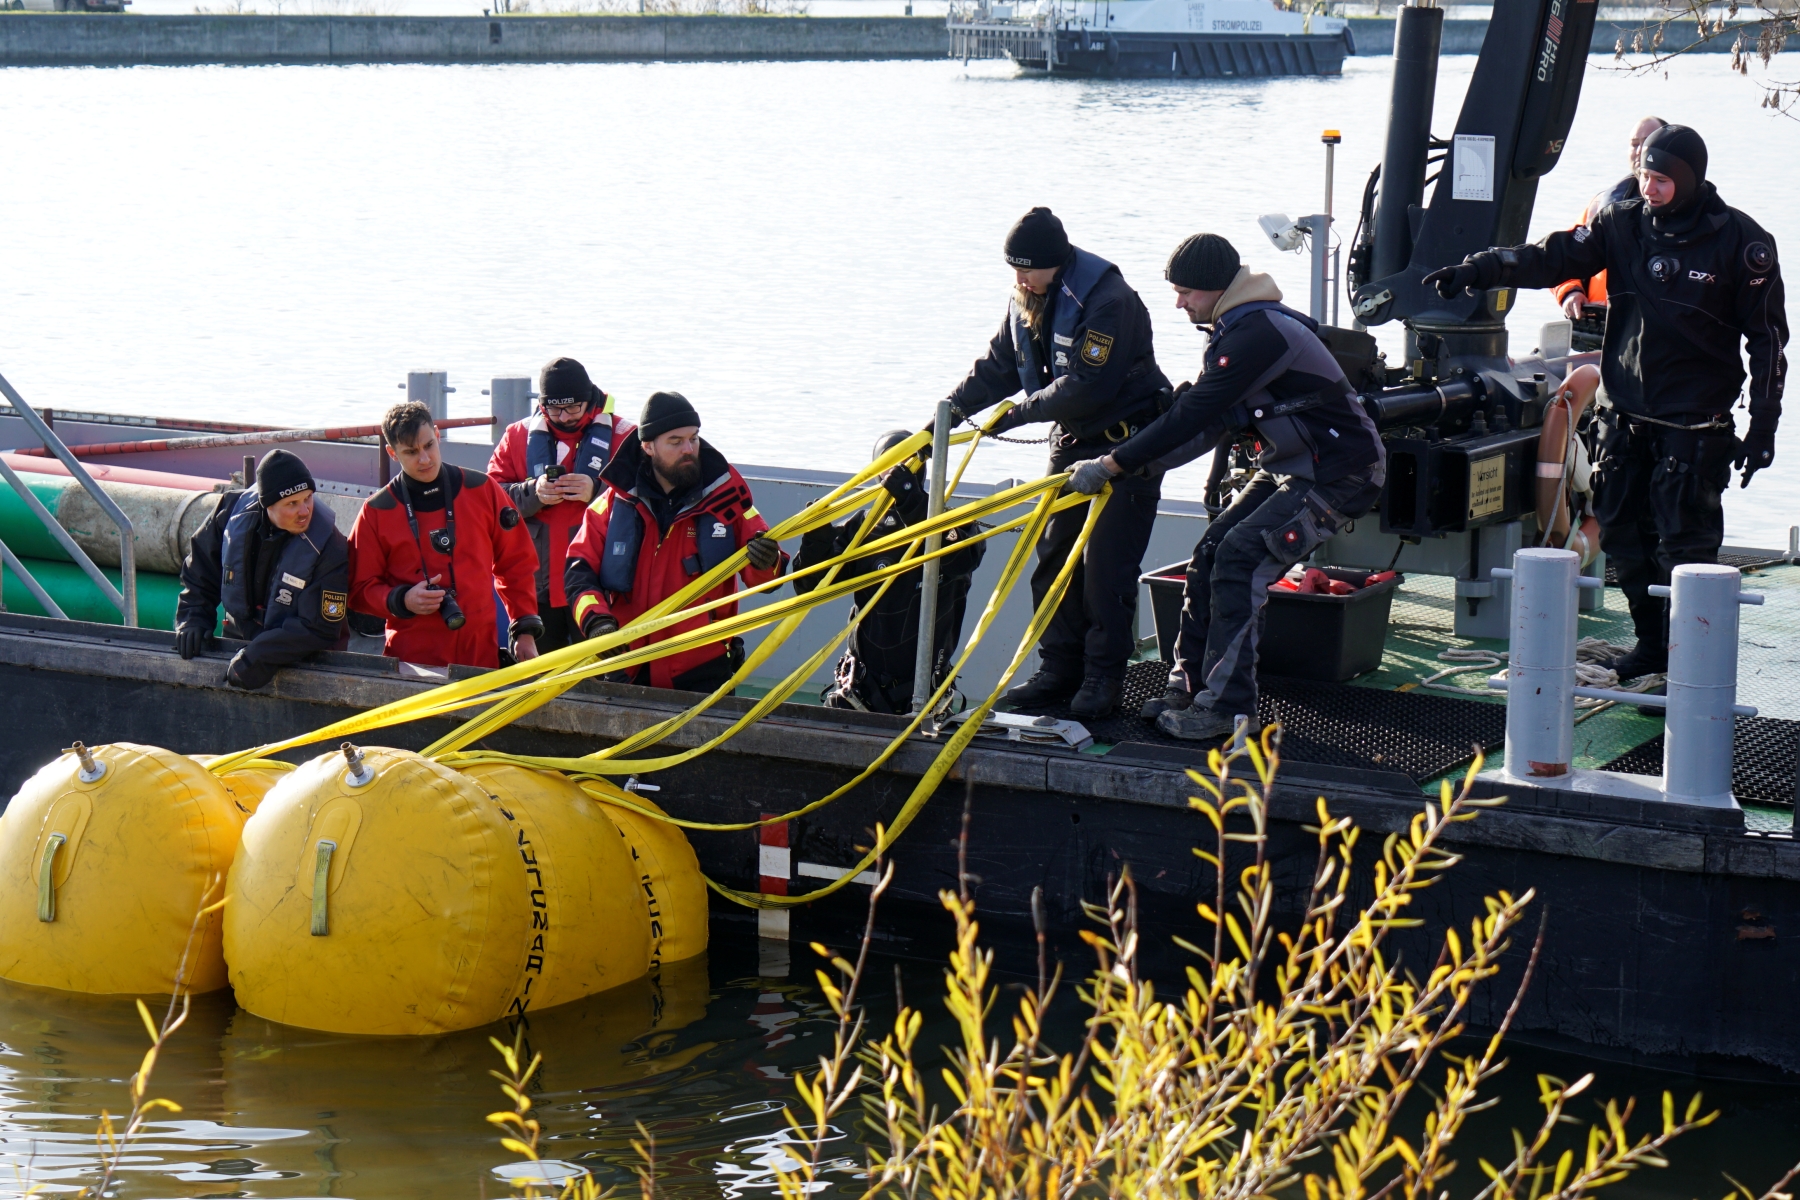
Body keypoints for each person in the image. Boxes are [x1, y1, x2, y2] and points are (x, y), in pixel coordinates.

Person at [1423, 124, 1787, 681]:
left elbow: (1768, 342)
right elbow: (1555, 256)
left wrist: (1763, 426)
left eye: (1662, 180)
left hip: (1694, 422)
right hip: (1628, 412)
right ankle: (1650, 644)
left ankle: (1692, 660)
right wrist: (1482, 269)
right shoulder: (1623, 223)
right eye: (1644, 175)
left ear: (1690, 180)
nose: (1649, 188)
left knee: (1684, 546)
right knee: (1621, 533)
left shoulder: (1742, 242)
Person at [1067, 234, 1386, 743]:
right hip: (1290, 465)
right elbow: (1212, 421)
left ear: (1217, 289)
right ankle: (1190, 685)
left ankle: (1229, 709)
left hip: (1337, 471)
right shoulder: (1232, 327)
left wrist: (1110, 463)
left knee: (1241, 558)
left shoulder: (1258, 333)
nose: (1178, 303)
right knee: (1211, 551)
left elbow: (1195, 414)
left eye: (1187, 292)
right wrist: (1135, 469)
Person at [938, 206, 1173, 718]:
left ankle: (1102, 678)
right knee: (1051, 562)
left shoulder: (1108, 301)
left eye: (1027, 268)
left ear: (1056, 262)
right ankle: (1057, 668)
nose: (1020, 278)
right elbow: (1002, 363)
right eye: (1014, 269)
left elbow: (1089, 386)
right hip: (1070, 441)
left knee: (1104, 571)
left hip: (1125, 447)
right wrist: (953, 409)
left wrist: (1018, 414)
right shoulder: (1028, 295)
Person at [564, 392, 787, 694]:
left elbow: (769, 577)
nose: (688, 449)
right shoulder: (612, 505)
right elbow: (579, 571)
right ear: (647, 446)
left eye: (693, 439)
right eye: (675, 441)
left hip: (703, 668)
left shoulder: (729, 501)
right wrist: (596, 624)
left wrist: (767, 560)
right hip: (626, 663)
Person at [792, 430, 987, 713]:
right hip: (860, 690)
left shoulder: (953, 524)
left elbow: (963, 559)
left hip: (926, 694)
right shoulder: (865, 527)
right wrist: (815, 540)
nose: (896, 471)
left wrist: (913, 501)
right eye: (889, 465)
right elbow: (809, 587)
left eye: (907, 463)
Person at [347, 401, 543, 669]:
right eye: (411, 452)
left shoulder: (483, 489)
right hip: (411, 663)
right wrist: (401, 599)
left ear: (438, 435)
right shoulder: (376, 512)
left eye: (428, 445)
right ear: (393, 453)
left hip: (480, 657)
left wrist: (524, 630)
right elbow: (358, 589)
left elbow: (516, 563)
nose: (424, 459)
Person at [488, 356, 636, 652]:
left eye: (573, 407)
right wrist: (533, 492)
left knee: (602, 674)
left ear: (590, 399)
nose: (565, 416)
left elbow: (647, 499)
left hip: (599, 588)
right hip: (536, 589)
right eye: (554, 408)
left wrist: (597, 491)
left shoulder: (626, 436)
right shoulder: (516, 436)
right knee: (538, 676)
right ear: (542, 405)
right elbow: (490, 499)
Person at [174, 448, 350, 690]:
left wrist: (260, 655)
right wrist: (193, 616)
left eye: (308, 498)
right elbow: (200, 568)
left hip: (308, 657)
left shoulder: (331, 546)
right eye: (292, 504)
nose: (304, 511)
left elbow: (320, 627)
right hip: (241, 640)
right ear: (267, 505)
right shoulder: (230, 512)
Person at [1554, 116, 1667, 321]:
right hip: (1597, 328)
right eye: (1634, 144)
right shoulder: (1601, 205)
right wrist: (1571, 293)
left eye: (1648, 142)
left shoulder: (1688, 212)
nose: (1640, 150)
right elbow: (1563, 258)